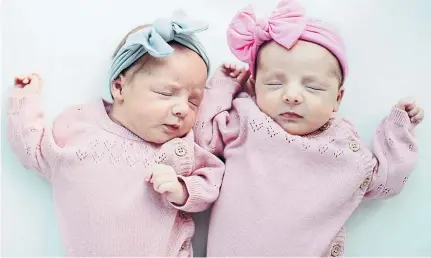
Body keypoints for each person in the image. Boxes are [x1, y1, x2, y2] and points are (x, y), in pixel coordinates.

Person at [194, 1, 425, 256]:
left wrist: (398, 129)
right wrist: (224, 85)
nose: (292, 96)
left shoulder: (344, 146)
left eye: (313, 87)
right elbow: (203, 137)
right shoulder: (246, 119)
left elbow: (386, 183)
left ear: (337, 99)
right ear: (255, 85)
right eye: (274, 84)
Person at [6, 11, 224, 257]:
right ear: (119, 87)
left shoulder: (179, 148)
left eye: (194, 102)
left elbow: (213, 182)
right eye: (166, 93)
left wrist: (182, 189)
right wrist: (24, 101)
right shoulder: (80, 128)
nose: (183, 109)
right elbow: (32, 150)